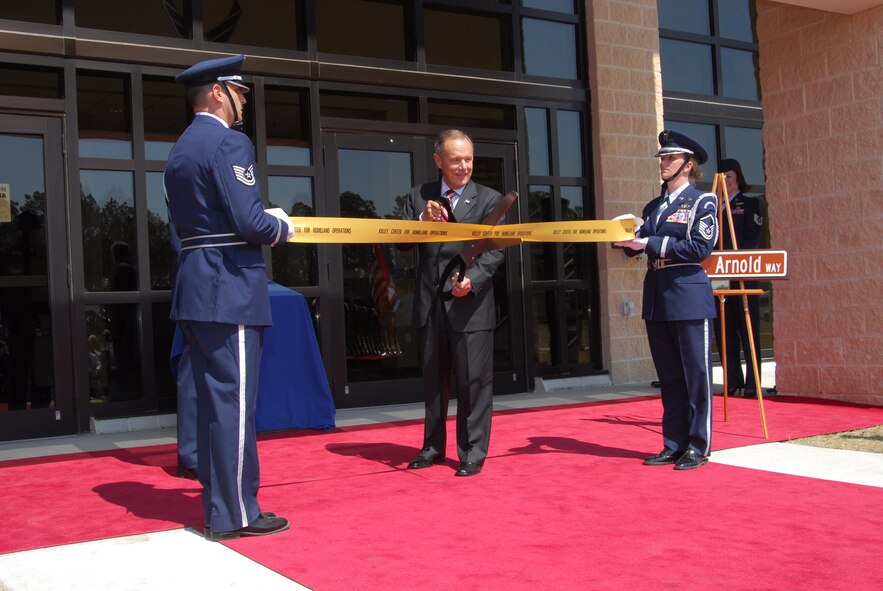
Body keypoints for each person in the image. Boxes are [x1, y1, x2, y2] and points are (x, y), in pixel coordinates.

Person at [164, 54, 294, 540]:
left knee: (213, 403)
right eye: (239, 93)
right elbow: (250, 223)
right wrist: (284, 227)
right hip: (230, 288)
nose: (243, 103)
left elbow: (186, 227)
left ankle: (221, 507)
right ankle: (237, 511)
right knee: (235, 404)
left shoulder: (178, 151)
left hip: (196, 285)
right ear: (219, 91)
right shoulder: (228, 142)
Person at [401, 129, 505, 477]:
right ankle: (432, 447)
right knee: (434, 384)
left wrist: (472, 279)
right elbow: (399, 241)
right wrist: (421, 223)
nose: (463, 166)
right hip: (431, 306)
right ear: (438, 161)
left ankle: (472, 452)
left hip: (470, 305)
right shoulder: (420, 197)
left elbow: (496, 250)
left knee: (473, 383)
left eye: (468, 159)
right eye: (456, 159)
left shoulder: (490, 200)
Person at [614, 130, 718, 470]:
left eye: (670, 158)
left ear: (688, 165)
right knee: (670, 376)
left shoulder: (703, 202)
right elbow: (640, 246)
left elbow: (701, 249)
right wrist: (623, 239)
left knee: (695, 376)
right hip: (658, 296)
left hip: (688, 294)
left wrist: (650, 242)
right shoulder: (654, 207)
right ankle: (674, 443)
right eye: (662, 157)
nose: (663, 162)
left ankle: (698, 446)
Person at [715, 158, 764, 398]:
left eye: (730, 177)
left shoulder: (749, 204)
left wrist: (734, 260)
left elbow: (752, 238)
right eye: (722, 177)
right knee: (725, 331)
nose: (726, 181)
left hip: (741, 274)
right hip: (718, 278)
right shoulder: (712, 206)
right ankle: (732, 382)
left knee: (748, 330)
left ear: (738, 179)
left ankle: (752, 385)